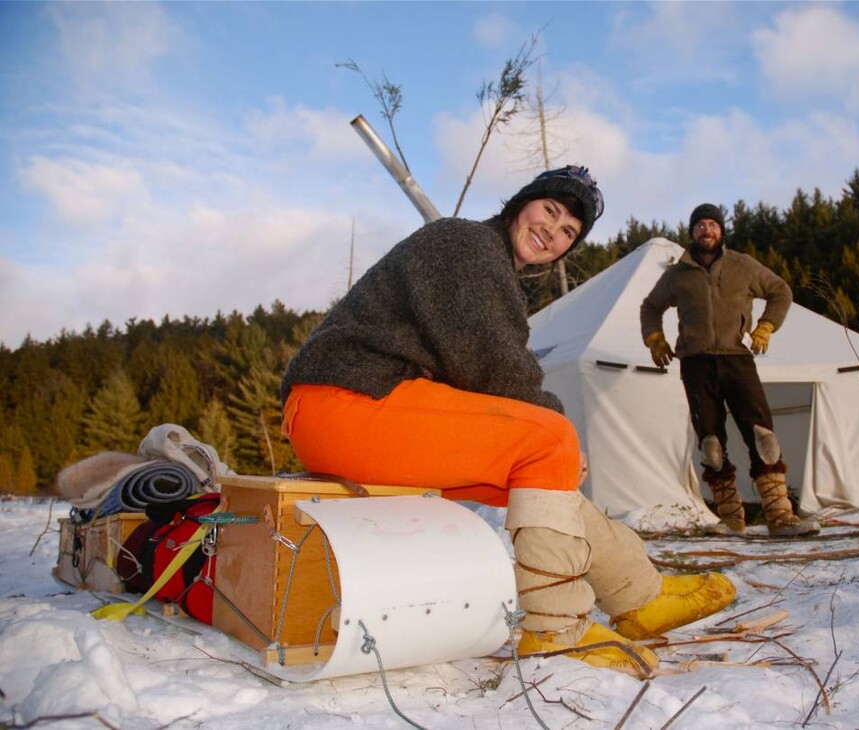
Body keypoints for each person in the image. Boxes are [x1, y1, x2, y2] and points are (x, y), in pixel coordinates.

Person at [280, 167, 735, 675]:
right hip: (345, 402)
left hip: (361, 409)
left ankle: (639, 593)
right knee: (549, 439)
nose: (553, 231)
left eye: (568, 232)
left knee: (541, 483)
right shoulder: (464, 243)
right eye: (551, 211)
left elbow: (485, 376)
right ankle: (555, 629)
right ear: (522, 203)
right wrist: (558, 436)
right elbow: (496, 367)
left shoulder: (488, 263)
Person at [640, 203, 820, 538]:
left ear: (721, 230)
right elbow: (650, 306)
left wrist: (766, 326)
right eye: (700, 226)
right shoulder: (678, 274)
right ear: (692, 232)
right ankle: (731, 519)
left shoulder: (742, 265)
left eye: (712, 224)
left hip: (737, 359)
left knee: (762, 436)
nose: (706, 230)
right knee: (711, 443)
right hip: (695, 364)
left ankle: (780, 516)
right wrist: (654, 338)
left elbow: (781, 291)